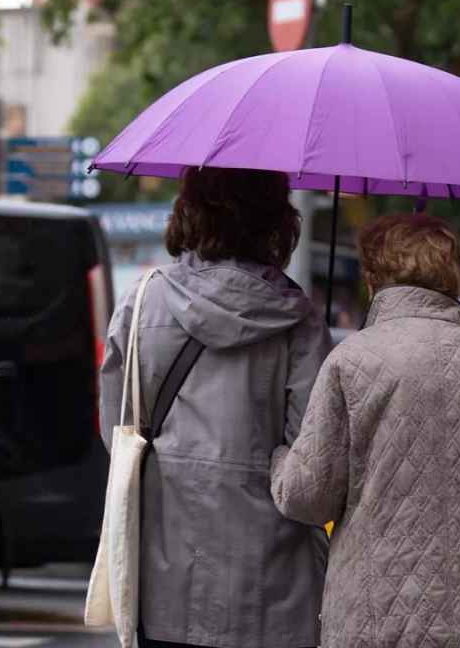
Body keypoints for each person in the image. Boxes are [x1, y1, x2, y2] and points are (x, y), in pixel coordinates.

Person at [271, 214, 460, 647]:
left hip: (371, 622)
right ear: (454, 281)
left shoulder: (349, 363)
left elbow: (307, 497)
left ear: (373, 279)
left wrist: (280, 461)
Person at [97, 166, 329, 648]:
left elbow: (116, 432)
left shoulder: (142, 302)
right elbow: (311, 458)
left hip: (163, 578)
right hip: (272, 588)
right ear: (276, 219)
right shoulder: (297, 319)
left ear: (190, 210)